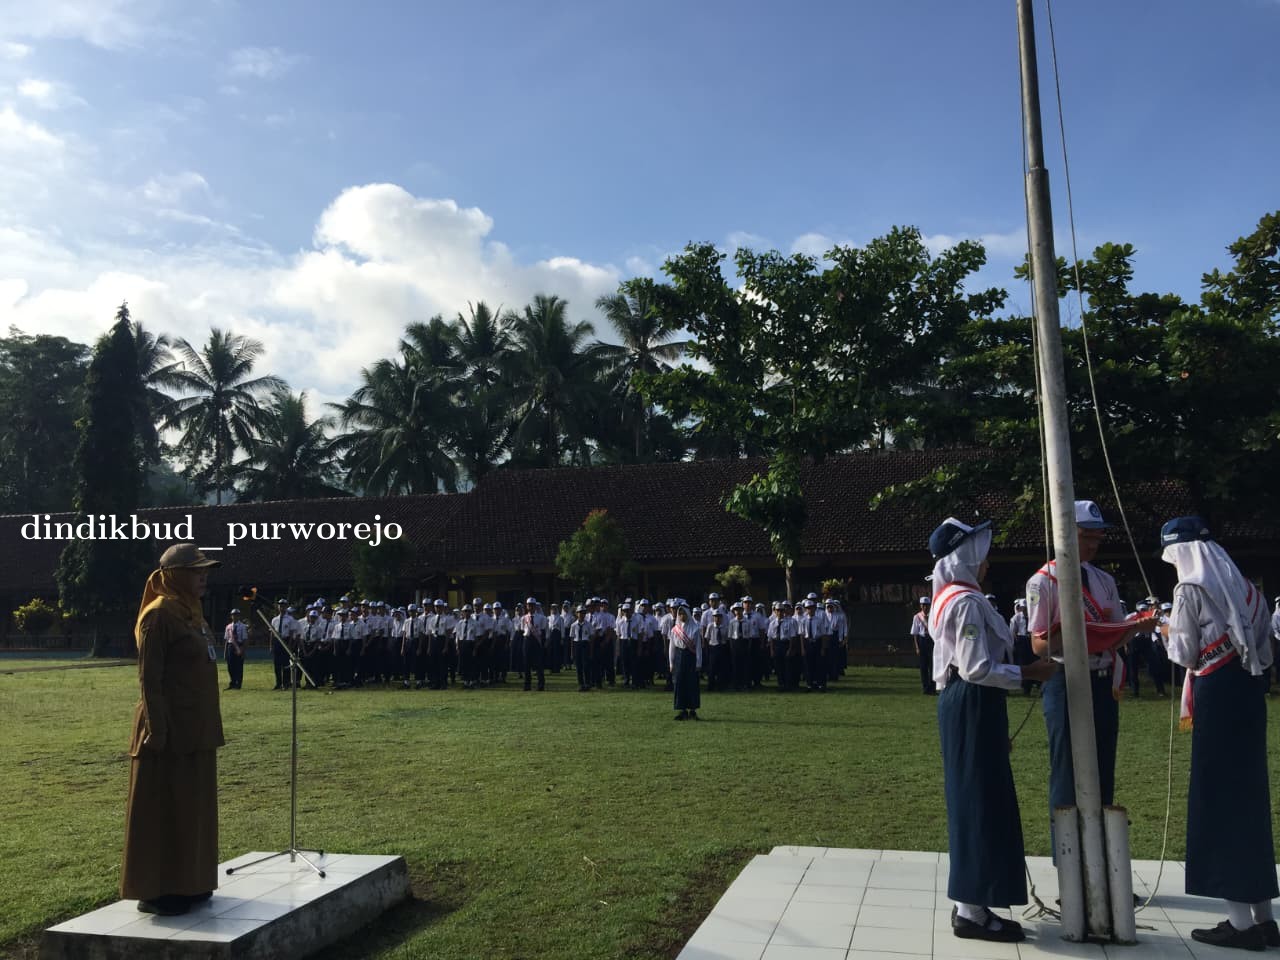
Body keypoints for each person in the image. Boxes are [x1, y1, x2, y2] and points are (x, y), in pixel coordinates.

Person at [930, 518, 1057, 943]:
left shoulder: (958, 598)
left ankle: (975, 903)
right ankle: (971, 910)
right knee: (977, 798)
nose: (987, 563)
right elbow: (976, 668)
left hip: (974, 701)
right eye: (982, 555)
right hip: (972, 698)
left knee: (981, 795)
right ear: (966, 557)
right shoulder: (965, 602)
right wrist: (1029, 672)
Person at [1160, 517, 1279, 950]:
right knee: (1249, 799)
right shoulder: (1248, 589)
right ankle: (1264, 918)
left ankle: (1240, 924)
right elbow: (1264, 646)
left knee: (1220, 799)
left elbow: (1184, 652)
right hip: (1249, 690)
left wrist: (1164, 631)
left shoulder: (1189, 589)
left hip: (1216, 691)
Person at [1026, 500, 1152, 849]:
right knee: (1066, 770)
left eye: (1098, 537)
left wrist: (1136, 627)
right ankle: (1067, 858)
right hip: (1066, 680)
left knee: (1103, 768)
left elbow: (1116, 632)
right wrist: (1082, 633)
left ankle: (1101, 856)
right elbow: (1038, 645)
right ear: (1067, 534)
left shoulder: (1103, 579)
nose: (1094, 544)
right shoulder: (1043, 581)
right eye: (1087, 536)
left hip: (1102, 678)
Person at [121, 543, 225, 917]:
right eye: (196, 571)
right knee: (164, 808)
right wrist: (158, 729)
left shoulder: (192, 614)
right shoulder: (159, 615)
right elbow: (149, 679)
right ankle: (161, 889)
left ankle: (192, 881)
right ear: (174, 576)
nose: (204, 577)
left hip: (196, 728)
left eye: (205, 570)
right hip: (168, 730)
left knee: (193, 808)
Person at [669, 602, 702, 720]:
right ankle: (682, 710)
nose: (682, 616)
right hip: (679, 657)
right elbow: (671, 647)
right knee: (679, 683)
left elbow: (698, 648)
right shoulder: (674, 630)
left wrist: (698, 663)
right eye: (680, 614)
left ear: (688, 614)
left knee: (691, 683)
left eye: (684, 614)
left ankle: (692, 710)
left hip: (691, 657)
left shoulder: (695, 629)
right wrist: (671, 663)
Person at [910, 597, 935, 695]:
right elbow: (915, 633)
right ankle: (925, 688)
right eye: (923, 605)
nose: (925, 607)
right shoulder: (917, 617)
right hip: (922, 641)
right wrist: (917, 647)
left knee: (932, 666)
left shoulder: (933, 616)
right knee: (923, 666)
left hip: (931, 640)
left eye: (927, 605)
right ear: (920, 606)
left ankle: (932, 688)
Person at [223, 608, 247, 690]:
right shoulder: (228, 626)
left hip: (239, 646)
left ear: (239, 616)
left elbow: (245, 639)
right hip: (230, 646)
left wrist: (242, 650)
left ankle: (238, 684)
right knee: (230, 666)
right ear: (231, 616)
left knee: (239, 666)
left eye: (237, 615)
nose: (235, 616)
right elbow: (227, 640)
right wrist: (225, 652)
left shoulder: (243, 626)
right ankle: (232, 683)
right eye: (233, 615)